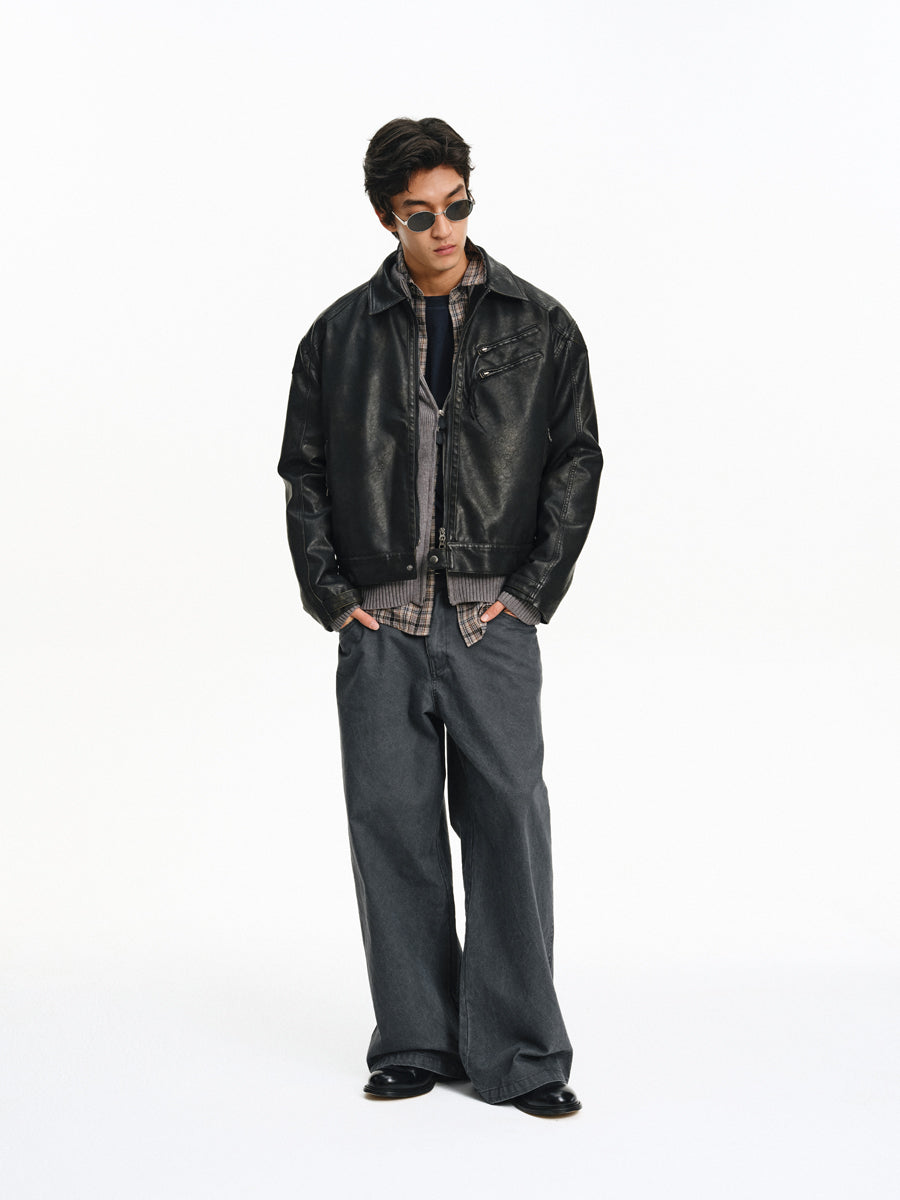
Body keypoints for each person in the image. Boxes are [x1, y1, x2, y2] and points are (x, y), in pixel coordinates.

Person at [277, 117, 602, 1117]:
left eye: (458, 205)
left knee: (507, 824)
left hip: (487, 621)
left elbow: (575, 461)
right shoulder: (337, 337)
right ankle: (415, 1039)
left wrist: (530, 592)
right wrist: (335, 598)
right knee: (392, 827)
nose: (446, 228)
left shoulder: (539, 325)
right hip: (380, 625)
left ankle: (523, 1054)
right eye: (422, 215)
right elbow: (304, 474)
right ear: (388, 218)